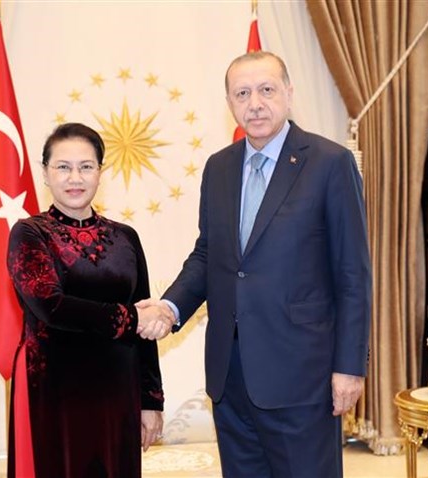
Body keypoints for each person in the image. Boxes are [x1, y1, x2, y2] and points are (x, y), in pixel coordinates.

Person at [139, 51, 372, 477]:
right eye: (242, 94)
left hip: (303, 375)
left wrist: (350, 366)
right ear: (229, 102)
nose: (256, 104)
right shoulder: (219, 168)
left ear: (289, 93)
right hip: (231, 376)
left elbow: (353, 274)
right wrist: (169, 307)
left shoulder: (330, 163)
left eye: (266, 90)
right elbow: (209, 254)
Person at [6, 122, 174, 478]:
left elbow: (144, 325)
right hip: (55, 391)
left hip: (119, 389)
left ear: (100, 172)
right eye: (63, 167)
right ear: (45, 173)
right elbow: (50, 306)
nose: (75, 178)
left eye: (86, 166)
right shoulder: (29, 233)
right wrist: (131, 318)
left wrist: (150, 400)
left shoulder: (126, 237)